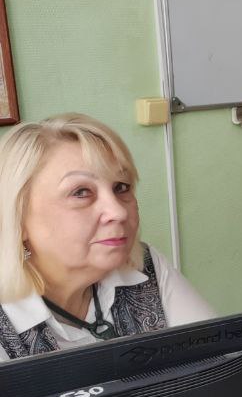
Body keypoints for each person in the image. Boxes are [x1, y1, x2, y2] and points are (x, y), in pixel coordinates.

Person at [0, 113, 215, 361]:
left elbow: (224, 367)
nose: (118, 212)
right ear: (17, 219)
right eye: (81, 192)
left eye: (121, 187)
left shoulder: (146, 266)